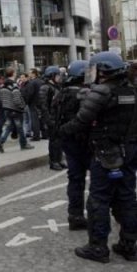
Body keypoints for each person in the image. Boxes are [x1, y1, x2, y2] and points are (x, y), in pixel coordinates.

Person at [60, 52, 137, 263]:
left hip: (105, 154)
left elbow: (80, 121)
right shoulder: (131, 90)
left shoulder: (102, 91)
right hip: (129, 152)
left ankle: (97, 248)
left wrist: (62, 132)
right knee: (128, 198)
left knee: (99, 201)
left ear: (101, 70)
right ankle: (129, 246)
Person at [54, 60, 91, 231]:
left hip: (68, 141)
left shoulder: (60, 94)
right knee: (100, 180)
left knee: (75, 179)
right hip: (86, 141)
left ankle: (75, 215)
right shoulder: (86, 93)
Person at [0, 67, 34, 153]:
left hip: (7, 109)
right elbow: (17, 98)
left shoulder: (2, 85)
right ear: (13, 73)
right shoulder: (14, 85)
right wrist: (22, 106)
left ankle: (0, 141)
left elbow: (1, 98)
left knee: (9, 127)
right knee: (20, 127)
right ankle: (23, 144)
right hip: (15, 110)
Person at [39, 66, 65, 170]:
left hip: (58, 118)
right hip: (52, 119)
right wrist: (48, 119)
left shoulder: (56, 86)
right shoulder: (45, 87)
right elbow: (43, 105)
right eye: (57, 75)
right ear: (52, 76)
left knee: (59, 141)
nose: (59, 77)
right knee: (54, 141)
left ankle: (59, 160)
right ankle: (54, 161)